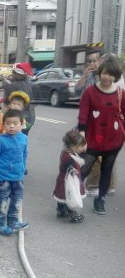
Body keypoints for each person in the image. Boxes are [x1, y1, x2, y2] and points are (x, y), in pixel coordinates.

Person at [78, 55, 125, 215]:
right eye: (105, 73)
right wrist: (82, 133)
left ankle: (100, 200)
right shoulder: (90, 92)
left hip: (114, 139)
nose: (107, 77)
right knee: (83, 169)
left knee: (107, 169)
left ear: (116, 76)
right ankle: (70, 197)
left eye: (111, 74)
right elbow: (83, 115)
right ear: (100, 72)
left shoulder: (120, 93)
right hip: (92, 138)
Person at [0, 109, 29, 236]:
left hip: (18, 177)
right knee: (2, 202)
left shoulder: (24, 138)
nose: (11, 126)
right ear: (3, 124)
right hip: (4, 178)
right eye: (8, 123)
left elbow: (25, 154)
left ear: (21, 124)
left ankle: (13, 222)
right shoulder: (1, 140)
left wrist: (23, 167)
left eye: (15, 123)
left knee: (16, 201)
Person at [52, 130, 86, 223]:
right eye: (81, 146)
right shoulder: (69, 157)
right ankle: (71, 213)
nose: (83, 148)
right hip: (67, 181)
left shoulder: (66, 152)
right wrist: (73, 170)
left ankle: (61, 210)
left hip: (63, 179)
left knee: (62, 195)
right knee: (69, 195)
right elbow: (69, 166)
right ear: (73, 146)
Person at [2, 63, 35, 135]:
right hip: (30, 117)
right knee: (23, 139)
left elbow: (6, 104)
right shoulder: (30, 84)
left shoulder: (12, 86)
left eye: (12, 72)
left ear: (15, 73)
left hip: (17, 118)